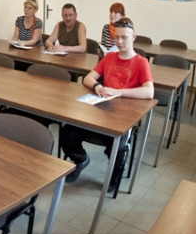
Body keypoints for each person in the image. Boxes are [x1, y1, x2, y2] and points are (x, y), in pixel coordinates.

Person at [60, 17, 153, 191]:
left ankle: (115, 177)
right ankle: (81, 160)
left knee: (117, 147)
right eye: (117, 37)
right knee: (67, 134)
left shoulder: (141, 62)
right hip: (101, 112)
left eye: (124, 37)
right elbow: (88, 78)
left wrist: (119, 92)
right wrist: (98, 86)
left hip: (123, 118)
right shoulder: (110, 57)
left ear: (133, 37)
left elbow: (149, 92)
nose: (120, 41)